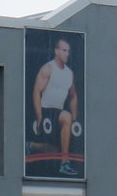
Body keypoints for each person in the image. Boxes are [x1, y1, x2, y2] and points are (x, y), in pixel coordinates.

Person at [32, 37, 81, 175]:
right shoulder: (48, 68)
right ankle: (63, 162)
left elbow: (74, 95)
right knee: (54, 148)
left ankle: (62, 163)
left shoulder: (69, 73)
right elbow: (36, 92)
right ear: (56, 51)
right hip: (46, 110)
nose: (67, 53)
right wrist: (39, 116)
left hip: (58, 111)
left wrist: (75, 119)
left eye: (68, 51)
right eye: (64, 50)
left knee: (66, 120)